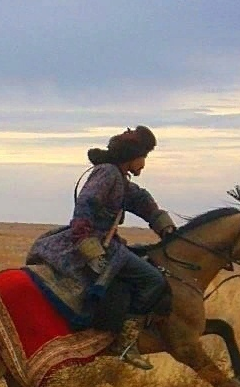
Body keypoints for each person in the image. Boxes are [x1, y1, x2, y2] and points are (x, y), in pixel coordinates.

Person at [26, 125, 176, 370]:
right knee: (153, 280)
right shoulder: (107, 173)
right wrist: (89, 246)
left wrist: (164, 226)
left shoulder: (120, 178)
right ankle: (125, 342)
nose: (144, 164)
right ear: (132, 155)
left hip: (107, 244)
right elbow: (86, 202)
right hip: (94, 245)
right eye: (144, 157)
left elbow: (141, 200)